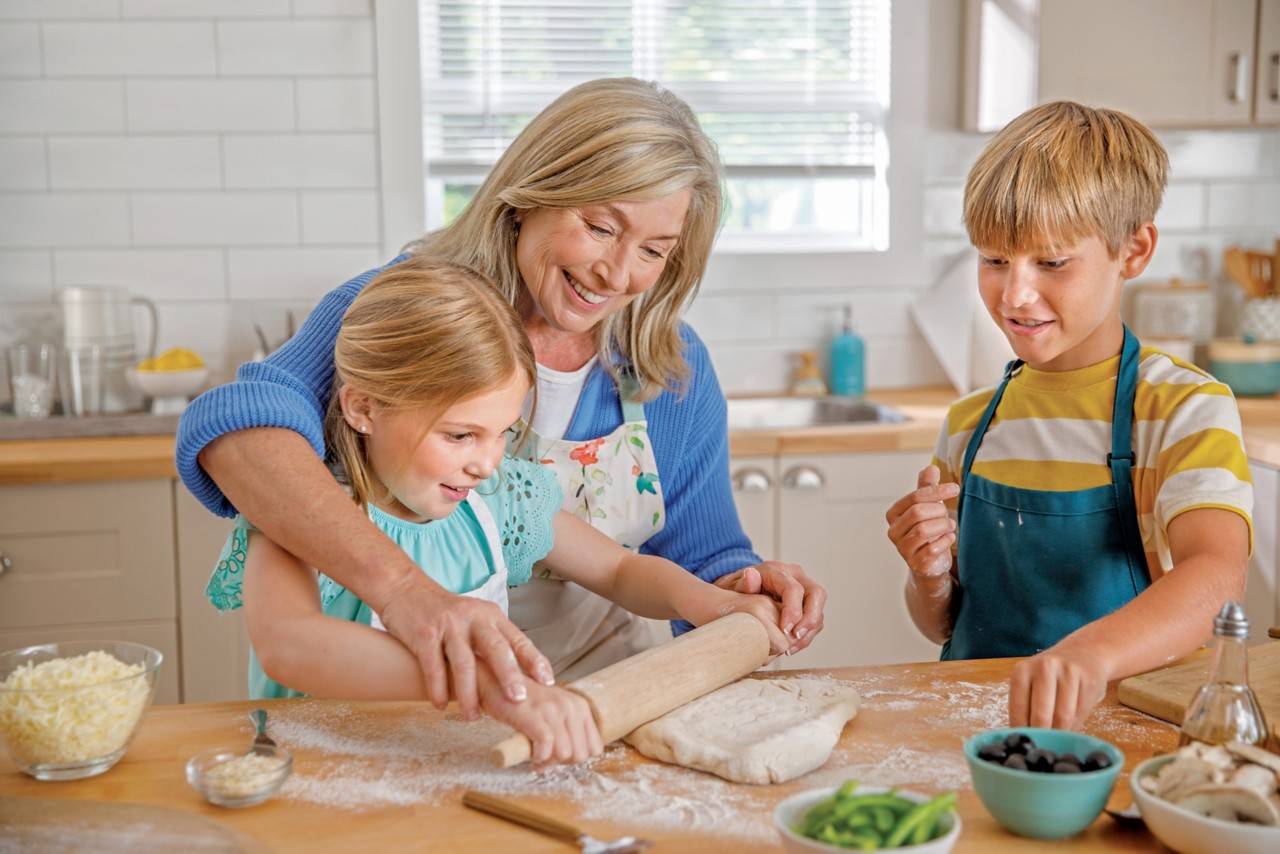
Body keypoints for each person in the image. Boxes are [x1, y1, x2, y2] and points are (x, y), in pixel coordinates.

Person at [176, 77, 826, 720]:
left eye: (654, 250)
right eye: (600, 227)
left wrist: (739, 592)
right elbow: (241, 432)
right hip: (429, 697)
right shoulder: (411, 316)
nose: (619, 273)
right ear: (531, 194)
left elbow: (687, 562)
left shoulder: (667, 370)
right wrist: (408, 593)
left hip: (595, 699)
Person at [206, 257, 789, 766]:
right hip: (320, 772)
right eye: (460, 436)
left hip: (455, 762)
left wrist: (710, 601)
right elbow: (290, 645)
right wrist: (488, 685)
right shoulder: (305, 515)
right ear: (363, 407)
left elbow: (617, 572)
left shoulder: (497, 498)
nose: (486, 462)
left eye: (502, 434)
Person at [884, 100, 1252, 731]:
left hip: (1127, 730)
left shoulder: (1182, 410)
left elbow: (1217, 576)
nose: (1014, 294)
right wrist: (930, 577)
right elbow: (941, 625)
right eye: (995, 259)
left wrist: (1087, 655)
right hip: (983, 731)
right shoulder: (972, 423)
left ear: (1133, 251)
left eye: (1051, 262)